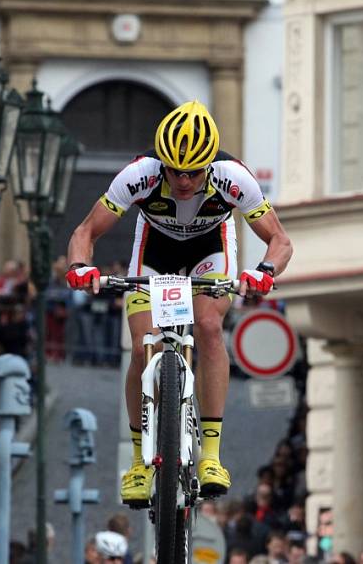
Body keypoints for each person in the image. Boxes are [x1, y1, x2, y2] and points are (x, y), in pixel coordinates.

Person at [66, 100, 292, 501]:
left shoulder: (233, 177)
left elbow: (279, 240)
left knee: (207, 326)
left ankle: (210, 455)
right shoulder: (139, 175)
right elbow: (86, 231)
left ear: (209, 164)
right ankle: (139, 463)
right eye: (174, 171)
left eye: (193, 172)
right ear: (161, 164)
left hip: (211, 250)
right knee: (141, 347)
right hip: (154, 250)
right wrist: (81, 266)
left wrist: (264, 272)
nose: (184, 180)